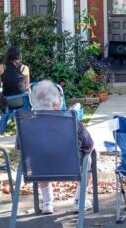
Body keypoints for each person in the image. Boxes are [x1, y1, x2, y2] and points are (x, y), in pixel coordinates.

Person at [30, 80, 94, 215]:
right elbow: (89, 146)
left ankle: (47, 203)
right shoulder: (71, 122)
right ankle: (78, 201)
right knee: (88, 158)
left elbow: (20, 147)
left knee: (40, 158)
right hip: (71, 168)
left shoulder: (26, 124)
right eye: (60, 98)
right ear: (55, 105)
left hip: (41, 170)